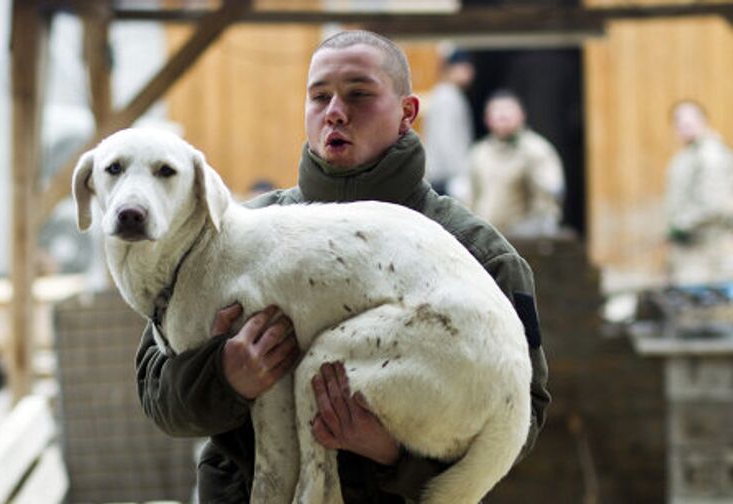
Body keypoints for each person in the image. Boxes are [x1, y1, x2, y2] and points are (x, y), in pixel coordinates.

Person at [136, 30, 550, 503]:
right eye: (319, 97)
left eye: (359, 94)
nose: (334, 111)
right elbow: (155, 393)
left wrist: (396, 454)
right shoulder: (233, 236)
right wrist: (223, 375)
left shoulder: (478, 255)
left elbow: (521, 415)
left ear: (407, 115)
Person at [469, 90, 565, 237]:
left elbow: (551, 196)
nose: (502, 115)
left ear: (522, 115)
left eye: (508, 110)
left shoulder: (536, 150)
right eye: (496, 110)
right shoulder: (480, 153)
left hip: (527, 241)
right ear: (487, 119)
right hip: (486, 239)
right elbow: (468, 197)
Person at [664, 100, 733, 285]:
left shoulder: (710, 155)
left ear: (703, 121)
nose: (684, 128)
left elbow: (715, 204)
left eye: (689, 123)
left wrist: (681, 225)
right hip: (692, 251)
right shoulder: (688, 155)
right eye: (679, 123)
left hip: (708, 249)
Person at [422, 46, 475, 202]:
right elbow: (447, 139)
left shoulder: (448, 93)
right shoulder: (447, 95)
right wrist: (459, 174)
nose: (469, 72)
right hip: (444, 177)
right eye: (463, 67)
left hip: (442, 176)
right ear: (450, 69)